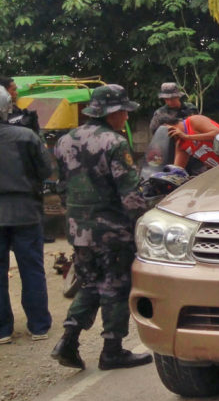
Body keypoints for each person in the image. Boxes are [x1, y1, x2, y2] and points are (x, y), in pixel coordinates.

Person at [51, 84, 152, 370]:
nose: (127, 118)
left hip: (78, 230)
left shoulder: (64, 141)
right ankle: (112, 351)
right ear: (112, 113)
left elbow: (62, 187)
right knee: (116, 287)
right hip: (112, 230)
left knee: (90, 282)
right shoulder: (114, 143)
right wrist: (143, 224)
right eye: (124, 112)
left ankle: (68, 340)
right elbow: (130, 195)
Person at [0, 87, 52, 344]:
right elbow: (45, 170)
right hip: (26, 212)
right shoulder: (26, 136)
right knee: (32, 269)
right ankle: (39, 326)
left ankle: (2, 330)